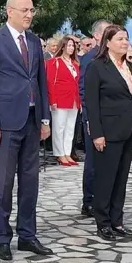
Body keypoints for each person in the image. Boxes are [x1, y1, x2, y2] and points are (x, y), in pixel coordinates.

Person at [0, 0, 53, 261]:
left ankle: (27, 235)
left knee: (30, 181)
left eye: (32, 10)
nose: (29, 15)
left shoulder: (33, 41)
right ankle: (2, 237)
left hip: (32, 120)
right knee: (3, 183)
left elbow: (41, 81)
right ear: (9, 11)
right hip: (6, 123)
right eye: (24, 10)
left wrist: (45, 118)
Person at [84, 24, 132, 241]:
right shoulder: (97, 67)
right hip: (108, 131)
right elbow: (91, 103)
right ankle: (103, 222)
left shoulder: (130, 67)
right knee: (105, 179)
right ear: (107, 42)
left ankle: (117, 221)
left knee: (121, 179)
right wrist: (97, 133)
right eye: (120, 39)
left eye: (126, 39)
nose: (125, 42)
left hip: (128, 129)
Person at [76, 19, 111, 218]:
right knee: (93, 163)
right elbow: (84, 90)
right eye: (106, 31)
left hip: (111, 117)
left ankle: (104, 199)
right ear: (96, 35)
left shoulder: (113, 56)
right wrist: (90, 119)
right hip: (94, 118)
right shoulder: (90, 58)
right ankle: (88, 201)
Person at [46, 36, 81, 166]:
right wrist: (52, 100)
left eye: (73, 46)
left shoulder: (75, 64)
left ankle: (67, 152)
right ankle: (60, 153)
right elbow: (50, 82)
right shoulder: (54, 62)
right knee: (59, 127)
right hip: (60, 99)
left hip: (74, 100)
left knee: (70, 128)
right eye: (69, 45)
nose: (71, 48)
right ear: (63, 47)